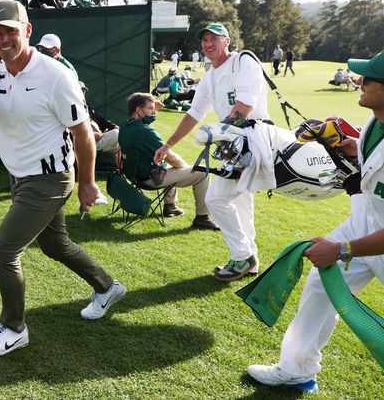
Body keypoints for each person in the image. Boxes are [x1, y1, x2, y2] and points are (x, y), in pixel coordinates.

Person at [0, 0, 126, 356]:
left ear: (26, 31)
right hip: (20, 177)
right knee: (55, 245)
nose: (2, 40)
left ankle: (15, 328)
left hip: (49, 179)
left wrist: (87, 183)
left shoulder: (56, 75)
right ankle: (107, 287)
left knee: (3, 251)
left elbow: (82, 133)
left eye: (10, 32)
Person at [247, 48, 384, 391]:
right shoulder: (375, 120)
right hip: (364, 221)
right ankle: (296, 369)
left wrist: (343, 249)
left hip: (371, 237)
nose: (360, 81)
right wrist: (348, 145)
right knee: (321, 286)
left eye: (369, 77)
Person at [154, 23, 271, 281]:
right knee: (240, 204)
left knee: (216, 199)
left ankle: (242, 257)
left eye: (214, 39)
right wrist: (168, 145)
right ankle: (250, 261)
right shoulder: (209, 77)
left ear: (227, 41)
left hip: (253, 140)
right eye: (204, 40)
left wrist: (220, 132)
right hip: (233, 144)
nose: (208, 44)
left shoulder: (243, 62)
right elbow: (194, 113)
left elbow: (246, 105)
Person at [119, 93, 220, 230]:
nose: (154, 112)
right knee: (203, 171)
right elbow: (171, 157)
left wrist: (152, 107)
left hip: (134, 176)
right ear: (138, 110)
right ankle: (202, 218)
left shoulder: (124, 127)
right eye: (151, 109)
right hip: (150, 179)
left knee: (164, 165)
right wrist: (186, 168)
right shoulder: (145, 132)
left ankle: (170, 206)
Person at [80, 81, 119, 154]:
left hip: (98, 137)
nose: (82, 93)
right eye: (80, 90)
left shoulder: (86, 105)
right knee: (116, 135)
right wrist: (91, 135)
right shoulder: (70, 107)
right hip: (85, 141)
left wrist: (112, 126)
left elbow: (99, 118)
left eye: (84, 90)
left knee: (120, 140)